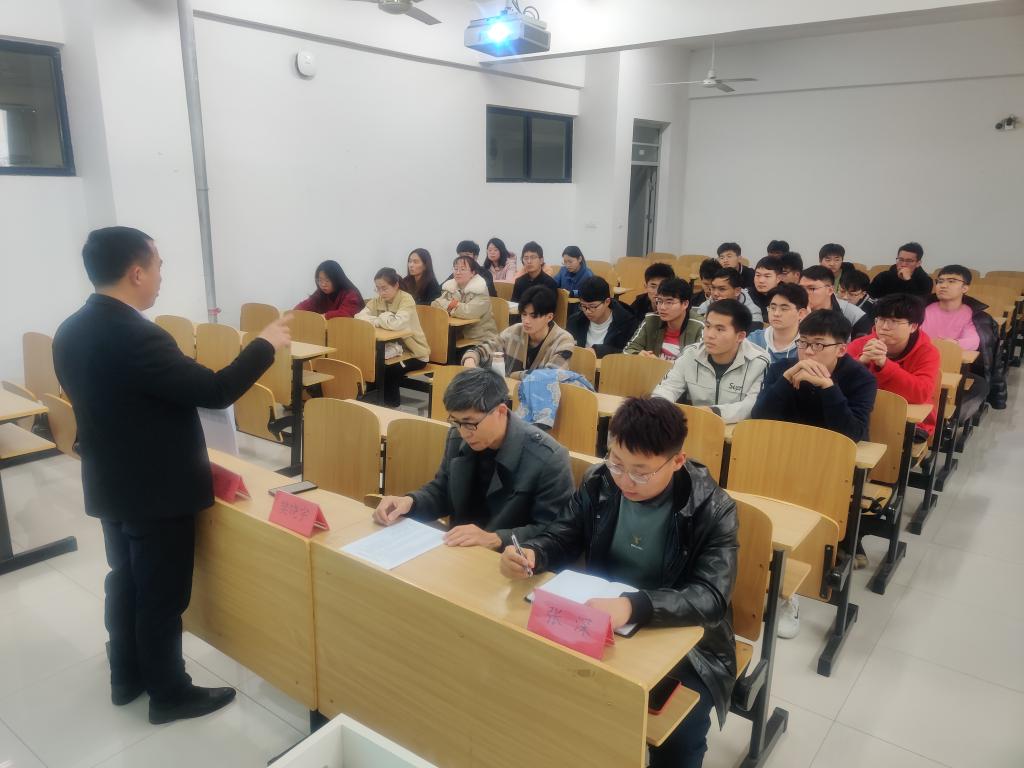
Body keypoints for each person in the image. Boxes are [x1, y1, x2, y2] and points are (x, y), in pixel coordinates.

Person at [52, 227, 292, 724]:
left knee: (125, 581)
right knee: (161, 596)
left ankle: (126, 677)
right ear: (136, 272)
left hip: (110, 481)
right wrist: (264, 345)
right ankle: (169, 693)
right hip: (156, 491)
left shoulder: (70, 329)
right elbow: (215, 390)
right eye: (158, 265)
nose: (162, 275)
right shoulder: (138, 336)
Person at [500, 397, 738, 768]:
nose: (625, 480)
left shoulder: (713, 508)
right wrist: (533, 553)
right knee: (525, 675)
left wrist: (633, 605)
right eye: (616, 463)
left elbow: (710, 597)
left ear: (677, 461)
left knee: (678, 731)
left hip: (687, 642)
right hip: (601, 619)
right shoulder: (600, 481)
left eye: (641, 473)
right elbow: (565, 535)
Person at [752, 309, 878, 638]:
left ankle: (789, 594)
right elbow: (759, 419)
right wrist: (784, 382)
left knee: (802, 517)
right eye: (803, 343)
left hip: (830, 469)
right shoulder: (781, 368)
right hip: (780, 460)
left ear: (841, 348)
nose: (808, 352)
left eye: (818, 345)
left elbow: (852, 434)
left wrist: (827, 388)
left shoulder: (860, 379)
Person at [373, 368, 574, 550]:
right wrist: (410, 502)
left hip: (510, 563)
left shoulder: (548, 458)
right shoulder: (458, 436)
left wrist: (495, 538)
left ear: (500, 411)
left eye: (470, 423)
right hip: (461, 552)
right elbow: (443, 491)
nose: (464, 432)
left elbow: (554, 533)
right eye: (456, 421)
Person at [652, 299, 770, 423]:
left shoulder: (759, 362)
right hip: (697, 424)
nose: (709, 335)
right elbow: (668, 388)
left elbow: (751, 405)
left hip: (736, 430)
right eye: (708, 326)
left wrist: (713, 412)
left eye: (719, 329)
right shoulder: (691, 354)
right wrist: (659, 406)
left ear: (740, 336)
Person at [847, 294, 940, 439]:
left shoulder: (927, 352)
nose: (884, 327)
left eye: (894, 321)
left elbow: (921, 393)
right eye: (881, 319)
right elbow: (836, 382)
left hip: (908, 421)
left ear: (913, 326)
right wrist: (860, 362)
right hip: (862, 414)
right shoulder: (860, 344)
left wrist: (884, 364)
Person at [922, 265, 993, 416]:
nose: (943, 285)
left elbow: (973, 341)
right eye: (940, 281)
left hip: (953, 366)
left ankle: (947, 420)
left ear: (965, 288)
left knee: (980, 386)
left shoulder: (973, 314)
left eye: (951, 281)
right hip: (921, 364)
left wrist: (954, 345)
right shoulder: (923, 309)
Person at [461, 286, 574, 379]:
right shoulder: (515, 330)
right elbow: (484, 349)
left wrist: (514, 376)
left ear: (549, 317)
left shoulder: (564, 340)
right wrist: (470, 359)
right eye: (524, 314)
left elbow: (550, 377)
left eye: (534, 316)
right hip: (509, 395)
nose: (526, 321)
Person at [356, 267, 430, 406]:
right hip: (391, 350)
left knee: (390, 369)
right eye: (378, 288)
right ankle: (372, 402)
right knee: (370, 364)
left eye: (384, 288)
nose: (381, 292)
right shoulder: (378, 299)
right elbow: (359, 317)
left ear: (396, 285)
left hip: (414, 352)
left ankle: (391, 404)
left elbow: (397, 324)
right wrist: (381, 320)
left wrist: (378, 320)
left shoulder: (406, 299)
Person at [624, 278, 704, 360]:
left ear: (685, 304)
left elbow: (699, 363)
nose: (662, 307)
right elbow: (628, 350)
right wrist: (638, 354)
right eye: (659, 301)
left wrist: (661, 364)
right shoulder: (651, 320)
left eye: (669, 302)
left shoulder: (700, 326)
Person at [432, 254, 499, 347]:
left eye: (463, 269)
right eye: (455, 269)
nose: (458, 272)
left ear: (472, 273)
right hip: (457, 335)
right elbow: (435, 304)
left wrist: (449, 308)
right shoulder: (450, 287)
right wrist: (453, 305)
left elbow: (470, 312)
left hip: (480, 337)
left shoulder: (480, 289)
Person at [567, 276, 640, 358]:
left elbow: (630, 354)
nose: (587, 311)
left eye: (593, 306)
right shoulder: (575, 321)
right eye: (583, 306)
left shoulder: (627, 324)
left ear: (607, 302)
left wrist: (599, 351)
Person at [800, 265, 872, 338]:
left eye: (811, 288)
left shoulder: (855, 316)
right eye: (801, 288)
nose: (804, 293)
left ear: (830, 290)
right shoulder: (795, 310)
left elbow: (862, 344)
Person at [747, 283, 809, 364]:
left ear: (801, 313)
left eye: (784, 309)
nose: (776, 313)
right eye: (773, 308)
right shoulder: (754, 340)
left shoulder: (808, 345)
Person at [696, 268, 763, 330]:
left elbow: (750, 337)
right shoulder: (706, 306)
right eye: (713, 288)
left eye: (722, 289)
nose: (715, 293)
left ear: (737, 291)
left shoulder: (753, 312)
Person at [294, 259, 363, 319]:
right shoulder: (321, 292)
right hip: (329, 328)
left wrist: (322, 317)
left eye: (327, 280)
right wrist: (293, 313)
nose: (323, 285)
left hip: (351, 328)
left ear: (337, 279)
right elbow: (306, 305)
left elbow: (345, 314)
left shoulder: (351, 294)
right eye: (320, 280)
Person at [868, 242, 933, 298]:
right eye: (901, 259)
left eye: (909, 261)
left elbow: (920, 303)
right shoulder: (884, 276)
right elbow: (870, 297)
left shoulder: (926, 281)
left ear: (918, 263)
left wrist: (908, 280)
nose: (903, 264)